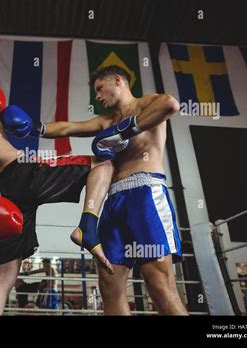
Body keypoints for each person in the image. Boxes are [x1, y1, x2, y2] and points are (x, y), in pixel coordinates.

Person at [0, 51, 114, 315]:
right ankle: (87, 227)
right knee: (102, 163)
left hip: (3, 192)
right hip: (22, 175)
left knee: (5, 273)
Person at [33, 65, 187, 315]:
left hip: (145, 193)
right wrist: (35, 128)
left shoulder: (147, 103)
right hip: (113, 201)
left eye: (99, 89)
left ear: (117, 81)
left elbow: (171, 105)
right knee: (109, 284)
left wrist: (126, 131)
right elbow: (68, 128)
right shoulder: (107, 121)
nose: (98, 97)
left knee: (158, 283)